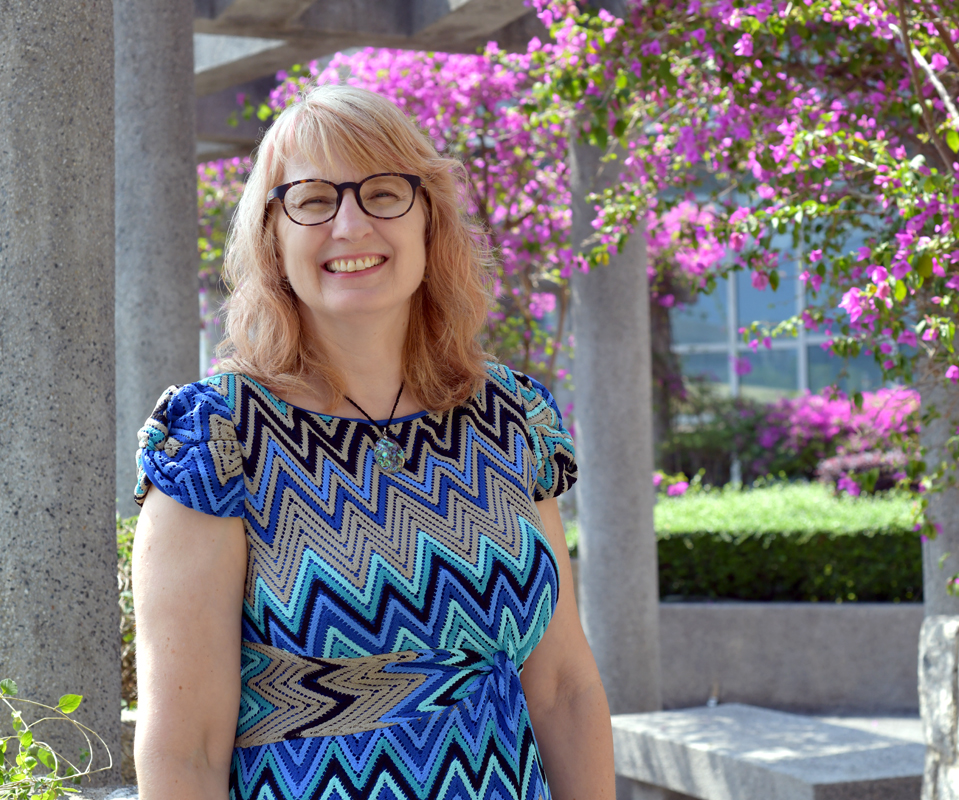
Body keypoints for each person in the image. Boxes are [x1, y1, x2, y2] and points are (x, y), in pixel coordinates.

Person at [130, 83, 613, 800]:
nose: (350, 225)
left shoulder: (511, 418)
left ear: (428, 221)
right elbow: (185, 748)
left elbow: (563, 689)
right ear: (273, 236)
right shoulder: (220, 440)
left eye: (383, 193)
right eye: (314, 199)